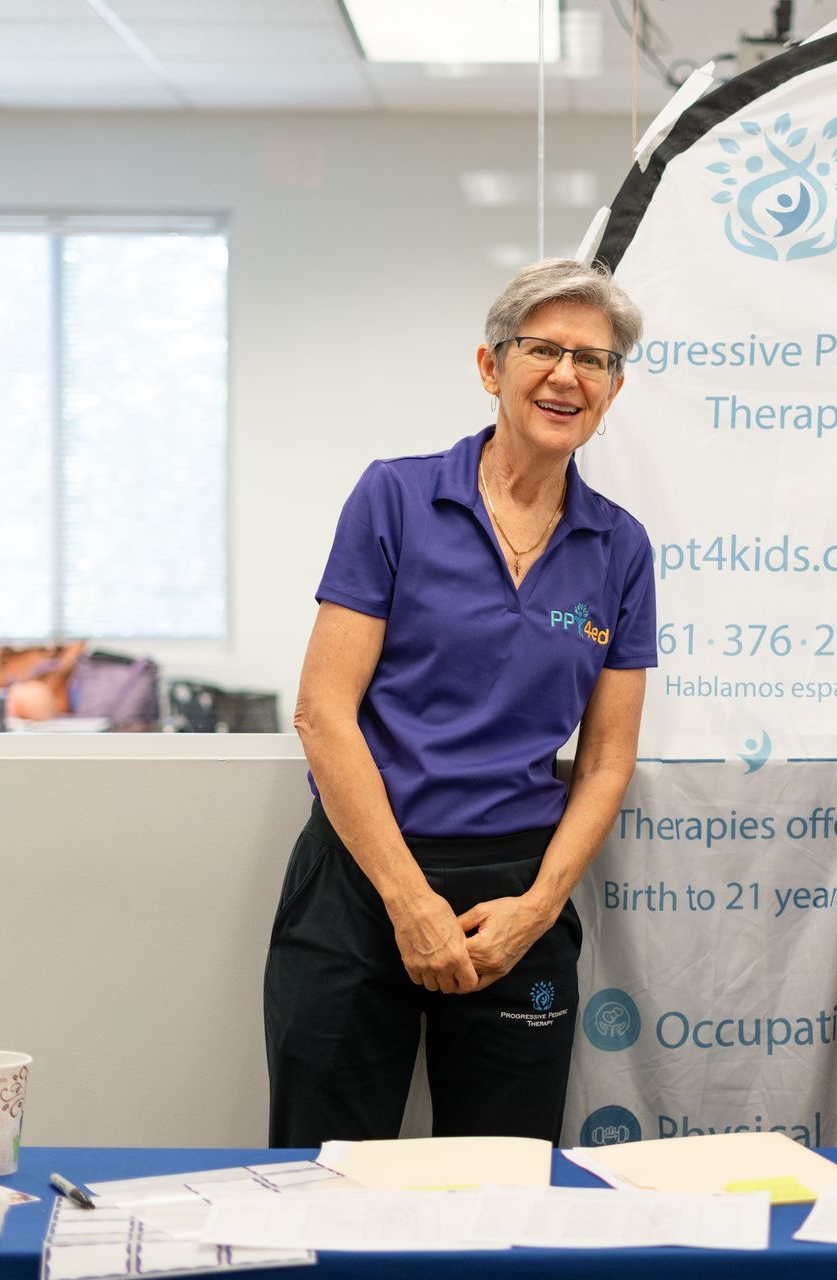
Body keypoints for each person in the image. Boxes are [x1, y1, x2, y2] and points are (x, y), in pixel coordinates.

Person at [265, 259, 655, 1146]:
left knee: (504, 1182)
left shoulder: (619, 547)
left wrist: (538, 909)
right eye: (543, 350)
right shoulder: (396, 498)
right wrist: (409, 902)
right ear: (491, 366)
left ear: (614, 389)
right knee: (320, 1176)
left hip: (516, 898)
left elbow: (606, 759)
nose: (566, 376)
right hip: (363, 883)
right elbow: (323, 713)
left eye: (592, 360)